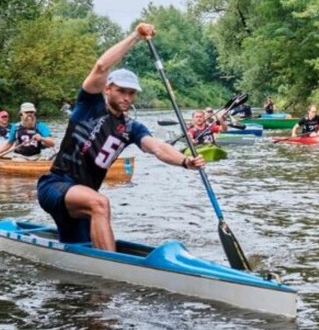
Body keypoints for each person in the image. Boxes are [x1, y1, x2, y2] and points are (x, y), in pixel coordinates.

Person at [36, 22, 205, 250]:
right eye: (121, 91)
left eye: (131, 93)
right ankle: (111, 274)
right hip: (55, 185)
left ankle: (87, 280)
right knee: (101, 204)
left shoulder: (130, 128)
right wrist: (135, 36)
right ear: (108, 89)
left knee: (81, 247)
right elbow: (101, 65)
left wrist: (185, 161)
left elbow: (157, 147)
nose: (127, 97)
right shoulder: (89, 104)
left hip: (82, 198)